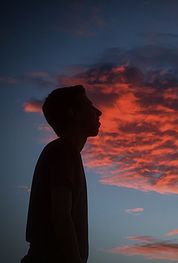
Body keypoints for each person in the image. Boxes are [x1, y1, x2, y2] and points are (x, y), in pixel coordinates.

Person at [22, 85, 102, 263]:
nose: (99, 112)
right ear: (72, 113)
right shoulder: (64, 152)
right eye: (89, 105)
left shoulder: (64, 152)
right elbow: (61, 216)